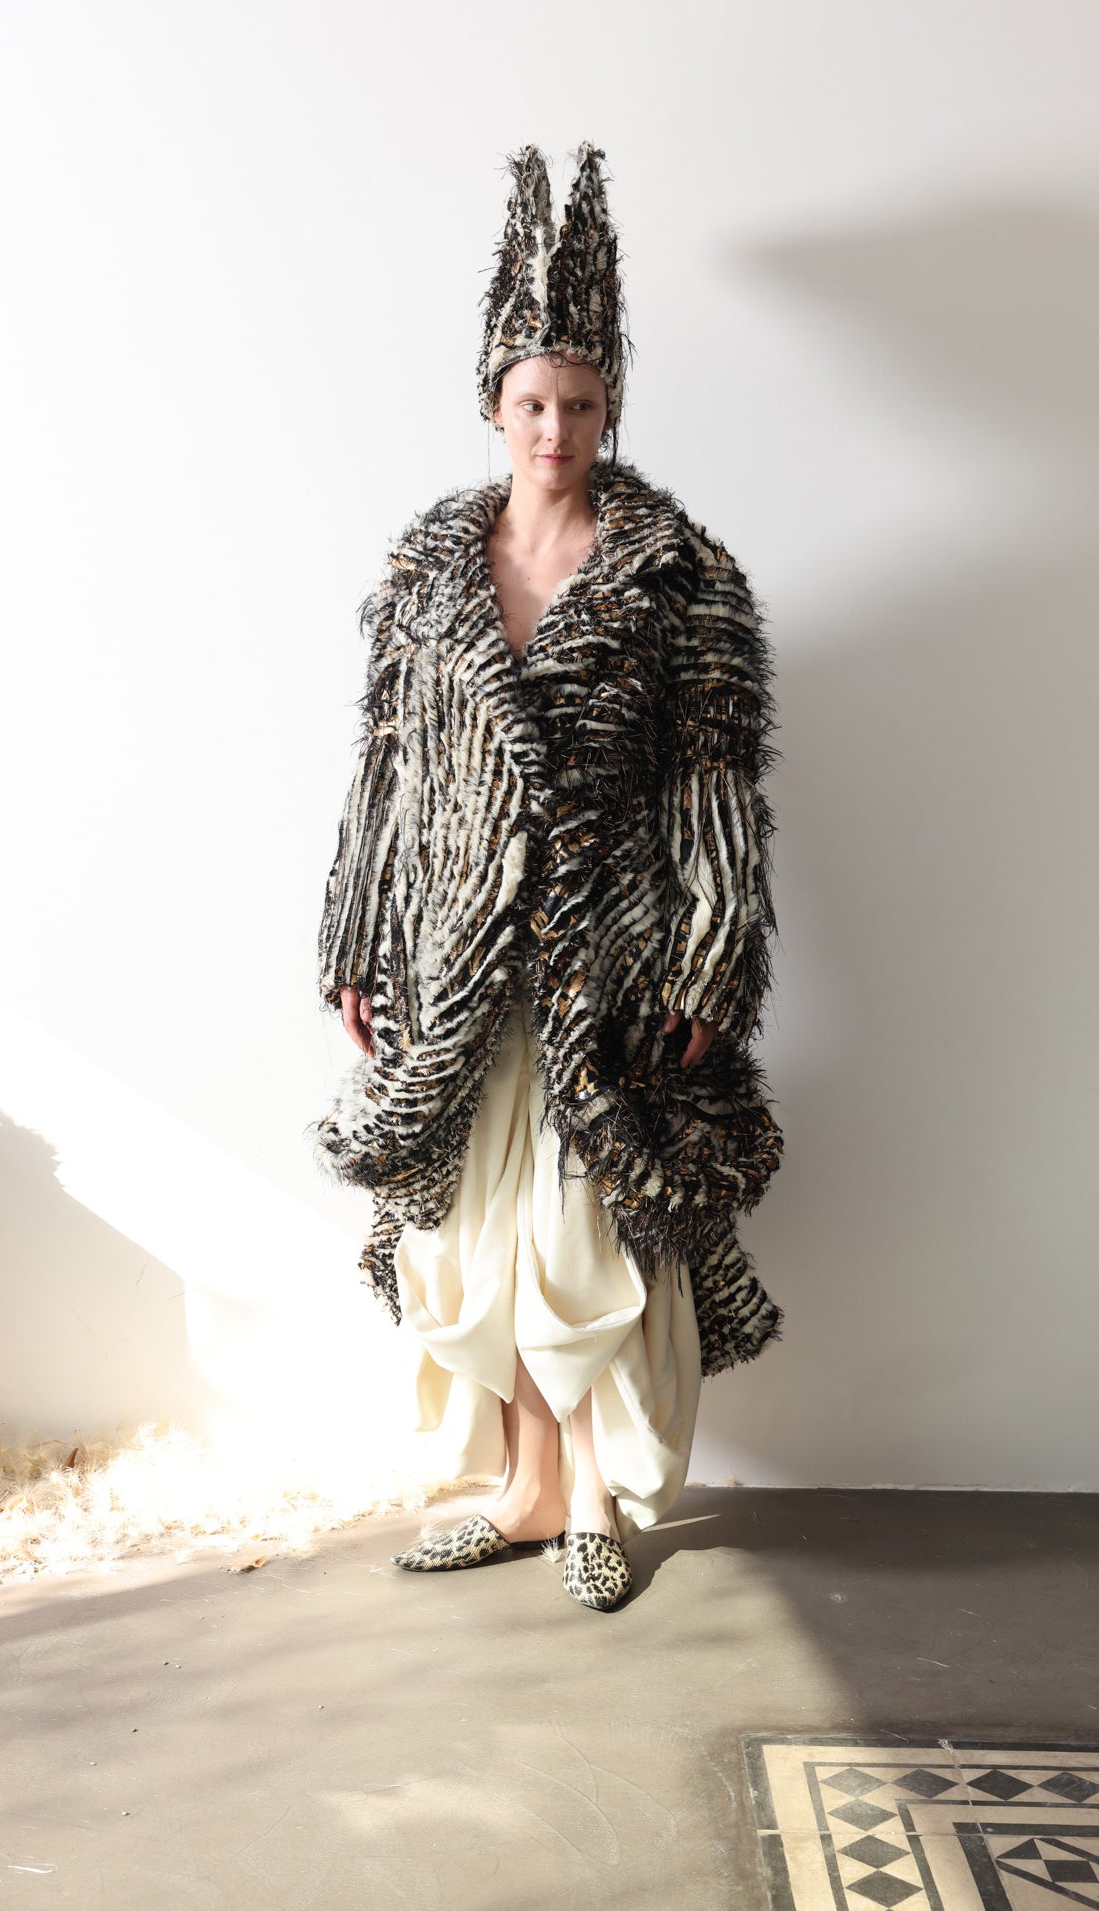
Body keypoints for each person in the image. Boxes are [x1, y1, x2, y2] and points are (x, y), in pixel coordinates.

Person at [311, 141, 785, 1612]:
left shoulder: (680, 577)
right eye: (532, 402)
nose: (555, 428)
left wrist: (710, 953)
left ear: (610, 406)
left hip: (610, 953)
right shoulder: (426, 576)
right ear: (492, 404)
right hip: (455, 953)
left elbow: (716, 785)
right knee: (478, 1226)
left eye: (580, 403)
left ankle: (593, 1502)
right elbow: (387, 768)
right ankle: (521, 1493)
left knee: (584, 1226)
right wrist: (359, 935)